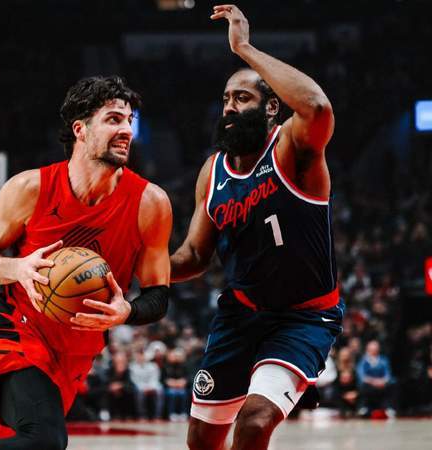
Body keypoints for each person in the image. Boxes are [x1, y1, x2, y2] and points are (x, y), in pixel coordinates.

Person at [0, 75, 172, 449]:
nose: (126, 130)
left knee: (34, 443)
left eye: (129, 121)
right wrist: (18, 268)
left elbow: (158, 296)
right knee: (45, 440)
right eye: (113, 119)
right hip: (17, 330)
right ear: (80, 129)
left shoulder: (150, 203)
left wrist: (128, 311)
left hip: (76, 353)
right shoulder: (30, 188)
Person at [170, 5, 344, 449]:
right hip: (240, 313)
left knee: (253, 423)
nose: (230, 107)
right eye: (226, 99)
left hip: (303, 317)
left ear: (271, 106)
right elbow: (194, 255)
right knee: (201, 440)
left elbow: (317, 106)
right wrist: (137, 264)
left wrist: (244, 48)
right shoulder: (213, 172)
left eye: (242, 98)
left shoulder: (291, 148)